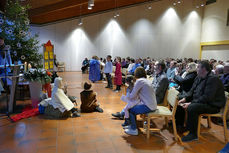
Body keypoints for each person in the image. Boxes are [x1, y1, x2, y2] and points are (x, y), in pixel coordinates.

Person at [178, 60, 226, 142]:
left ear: (204, 69)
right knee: (179, 98)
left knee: (192, 107)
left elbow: (207, 97)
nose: (196, 69)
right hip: (202, 101)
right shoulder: (199, 77)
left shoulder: (213, 79)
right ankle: (180, 125)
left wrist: (190, 103)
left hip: (213, 105)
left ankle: (193, 134)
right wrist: (185, 98)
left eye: (198, 67)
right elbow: (192, 90)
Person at [124, 67, 157, 136]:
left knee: (130, 110)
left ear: (136, 74)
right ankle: (132, 125)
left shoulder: (140, 81)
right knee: (131, 107)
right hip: (152, 104)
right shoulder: (146, 80)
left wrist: (128, 90)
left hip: (148, 106)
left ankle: (134, 129)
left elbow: (132, 96)